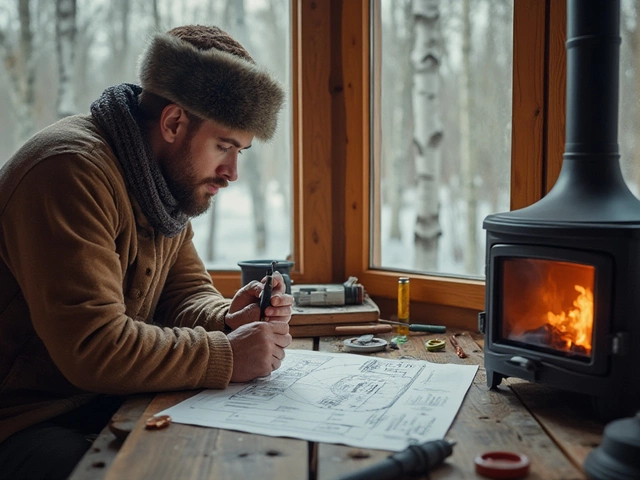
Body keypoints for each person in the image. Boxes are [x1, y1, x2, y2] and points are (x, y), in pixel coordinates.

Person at [0, 24, 292, 479]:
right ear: (173, 122)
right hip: (24, 420)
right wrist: (228, 354)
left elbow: (185, 294)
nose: (233, 171)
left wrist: (228, 318)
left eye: (242, 152)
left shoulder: (158, 184)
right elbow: (95, 347)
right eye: (224, 145)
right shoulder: (69, 171)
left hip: (100, 400)